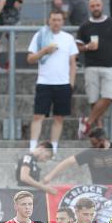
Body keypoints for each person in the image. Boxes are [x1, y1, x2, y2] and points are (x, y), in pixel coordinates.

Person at [27, 10, 78, 153]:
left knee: (59, 118)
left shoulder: (68, 38)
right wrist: (44, 51)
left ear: (63, 21)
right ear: (49, 21)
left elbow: (73, 62)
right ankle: (32, 148)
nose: (56, 23)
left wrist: (71, 83)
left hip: (63, 84)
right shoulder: (40, 35)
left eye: (59, 20)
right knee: (38, 116)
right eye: (53, 20)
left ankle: (53, 149)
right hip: (44, 82)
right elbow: (30, 59)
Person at [76, 0, 112, 136]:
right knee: (93, 99)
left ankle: (87, 122)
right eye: (92, 6)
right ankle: (99, 129)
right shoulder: (84, 26)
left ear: (102, 6)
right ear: (89, 7)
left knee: (109, 96)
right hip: (90, 66)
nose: (95, 8)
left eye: (97, 5)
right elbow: (77, 47)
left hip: (110, 66)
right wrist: (86, 47)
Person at [44, 129, 112, 186]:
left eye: (95, 143)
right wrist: (50, 176)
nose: (93, 146)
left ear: (103, 140)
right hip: (99, 190)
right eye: (92, 143)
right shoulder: (90, 152)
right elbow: (68, 162)